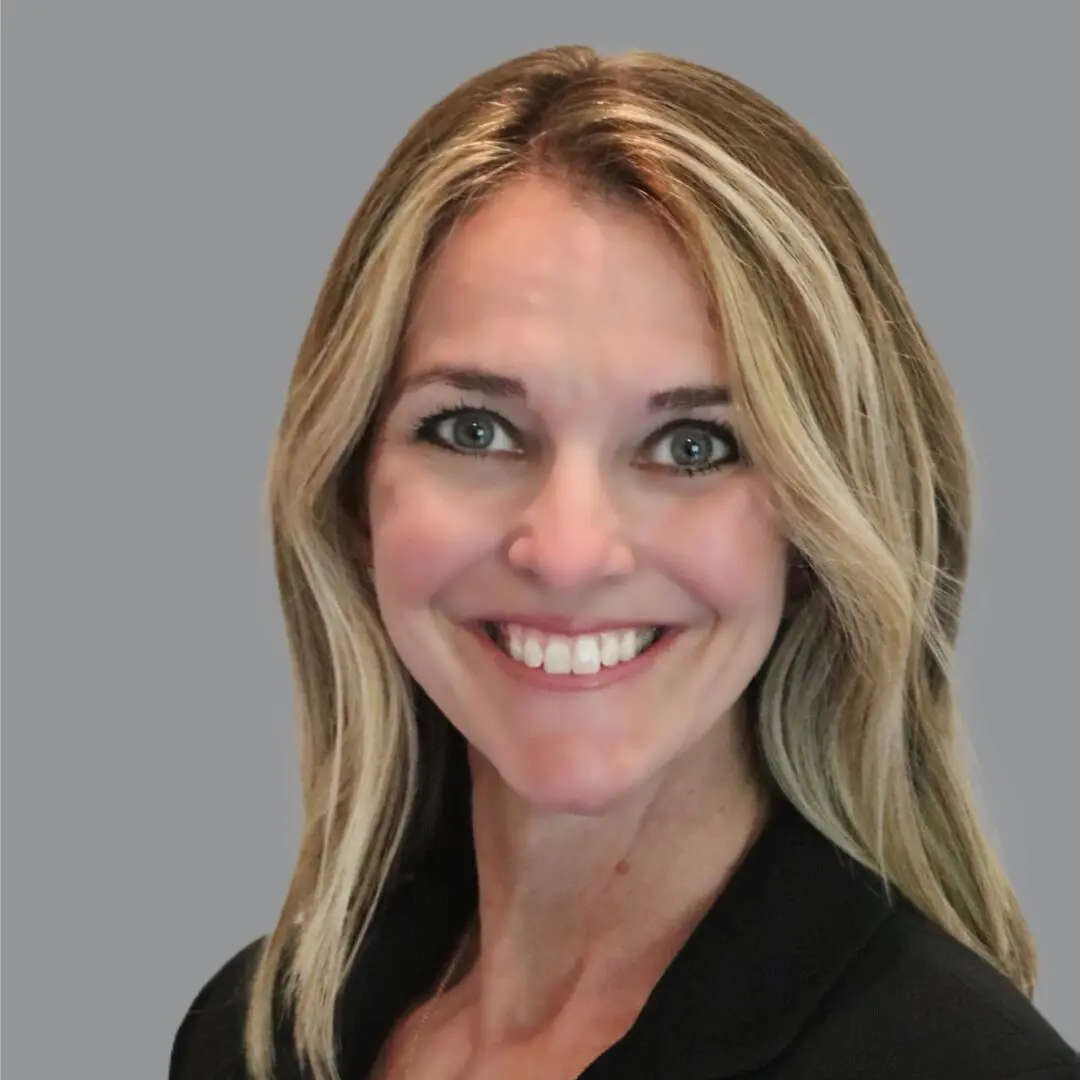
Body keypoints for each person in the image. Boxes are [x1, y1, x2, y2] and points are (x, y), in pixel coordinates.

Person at [169, 45, 1079, 1080]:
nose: (566, 552)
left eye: (693, 447)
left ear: (822, 524)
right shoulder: (255, 1035)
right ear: (352, 490)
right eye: (474, 430)